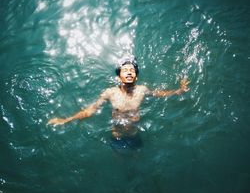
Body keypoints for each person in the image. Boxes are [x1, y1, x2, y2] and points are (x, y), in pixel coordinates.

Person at [48, 58, 189, 150]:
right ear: (119, 76)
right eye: (125, 70)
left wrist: (179, 91)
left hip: (134, 133)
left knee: (136, 160)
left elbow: (159, 94)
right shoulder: (110, 93)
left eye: (132, 71)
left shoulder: (142, 90)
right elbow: (91, 110)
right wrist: (66, 120)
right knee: (120, 159)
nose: (129, 72)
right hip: (117, 135)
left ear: (136, 76)